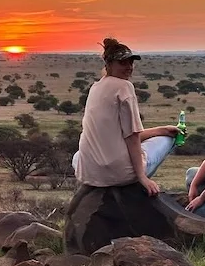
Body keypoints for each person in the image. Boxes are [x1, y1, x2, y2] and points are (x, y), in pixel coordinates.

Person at [74, 38, 180, 196]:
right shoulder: (124, 87)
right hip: (119, 174)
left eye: (131, 63)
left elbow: (121, 135)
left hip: (88, 173)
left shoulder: (95, 88)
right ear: (109, 64)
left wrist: (162, 129)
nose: (129, 67)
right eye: (123, 63)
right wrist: (142, 177)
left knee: (77, 155)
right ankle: (135, 188)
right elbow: (131, 137)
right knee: (169, 140)